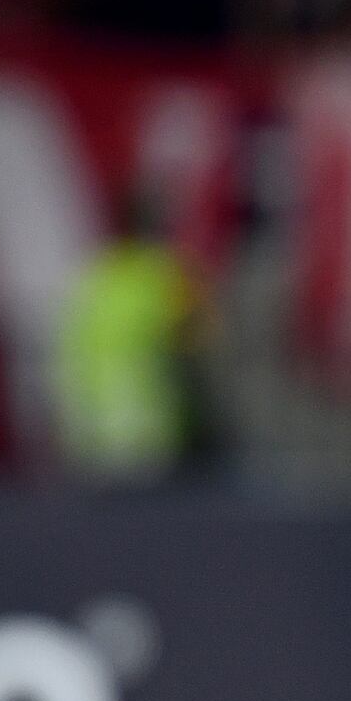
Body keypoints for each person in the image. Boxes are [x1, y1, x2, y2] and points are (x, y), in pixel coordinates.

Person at [54, 194, 204, 484]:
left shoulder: (96, 276)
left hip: (93, 438)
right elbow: (198, 338)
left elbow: (70, 355)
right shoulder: (163, 274)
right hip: (150, 438)